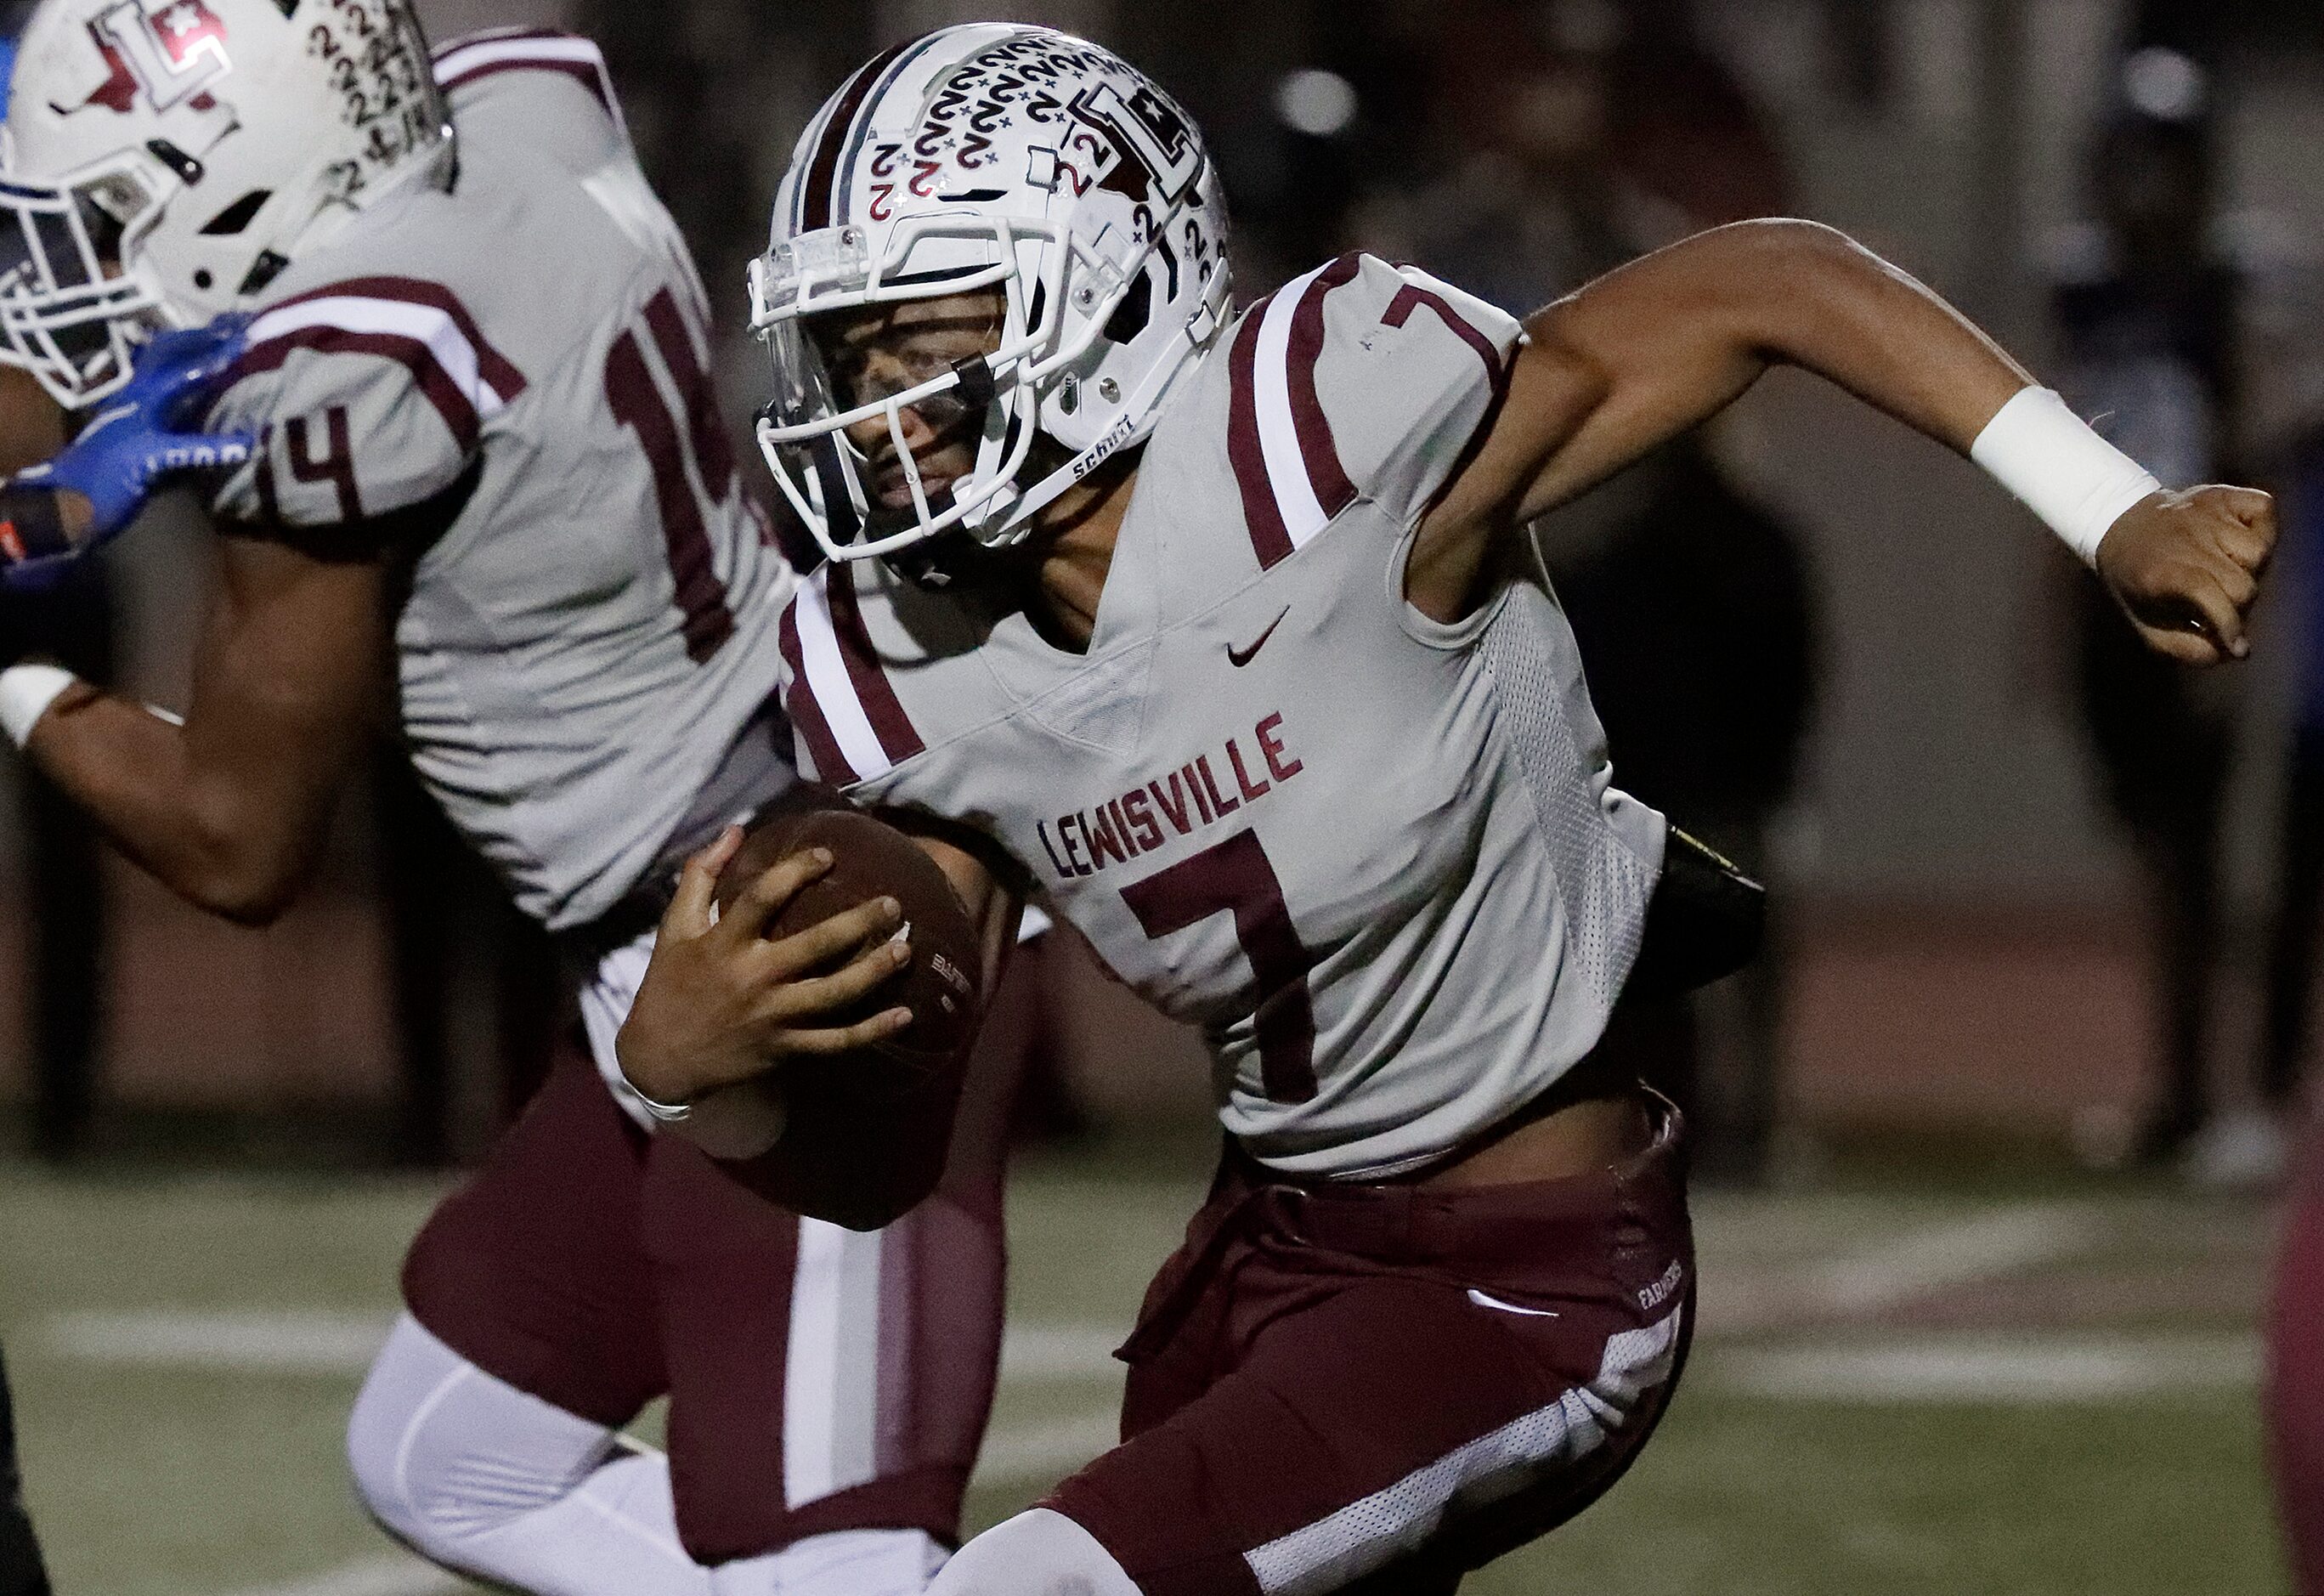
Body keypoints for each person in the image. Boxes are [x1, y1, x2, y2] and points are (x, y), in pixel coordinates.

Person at [611, 24, 2275, 1593]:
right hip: (1261, 1267)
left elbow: (1775, 277)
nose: (873, 408)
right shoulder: (896, 654)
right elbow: (896, 1108)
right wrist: (690, 1073)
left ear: (1109, 296)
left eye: (927, 333)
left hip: (1522, 1275)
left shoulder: (1314, 434)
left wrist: (2112, 509)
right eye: (851, 349)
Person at [0, 5, 1015, 1593]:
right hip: (753, 835)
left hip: (784, 955)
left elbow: (236, 838)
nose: (93, 256)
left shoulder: (345, 377)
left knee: (839, 1571)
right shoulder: (521, 117)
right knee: (449, 1448)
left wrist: (15, 680)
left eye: (123, 208)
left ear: (243, 180)